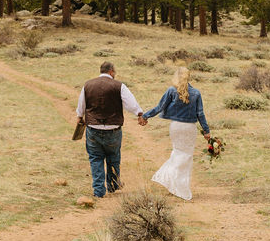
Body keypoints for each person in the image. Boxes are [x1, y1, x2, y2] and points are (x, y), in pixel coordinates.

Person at [75, 61, 146, 199]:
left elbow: (81, 105)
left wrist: (79, 117)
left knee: (95, 159)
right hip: (113, 129)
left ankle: (98, 191)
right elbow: (131, 103)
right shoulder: (119, 86)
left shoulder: (88, 85)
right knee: (113, 157)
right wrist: (140, 114)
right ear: (111, 71)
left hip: (93, 128)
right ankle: (113, 185)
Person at [142, 66, 210, 200]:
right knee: (186, 156)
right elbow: (200, 114)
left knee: (177, 152)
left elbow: (160, 107)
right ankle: (179, 186)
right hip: (190, 128)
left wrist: (145, 116)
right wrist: (206, 131)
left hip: (176, 127)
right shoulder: (196, 93)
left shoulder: (172, 90)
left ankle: (173, 183)